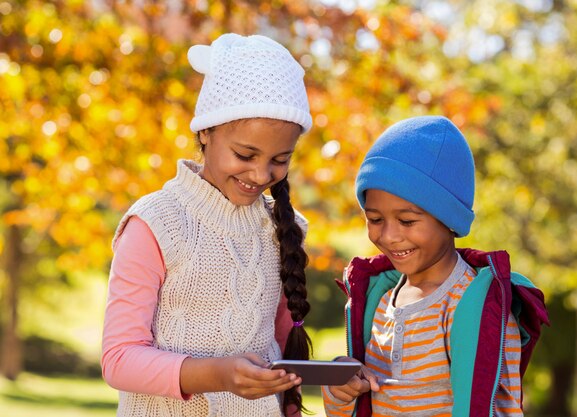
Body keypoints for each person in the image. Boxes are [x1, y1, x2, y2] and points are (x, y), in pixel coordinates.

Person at [101, 33, 314, 417]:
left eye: (280, 159)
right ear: (205, 131)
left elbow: (282, 350)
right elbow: (118, 358)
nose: (261, 173)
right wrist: (217, 375)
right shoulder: (156, 223)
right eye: (245, 154)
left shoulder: (284, 230)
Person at [322, 116, 550, 416]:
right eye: (375, 219)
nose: (389, 235)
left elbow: (501, 408)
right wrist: (340, 390)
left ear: (449, 220)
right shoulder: (378, 303)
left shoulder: (475, 308)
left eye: (407, 221)